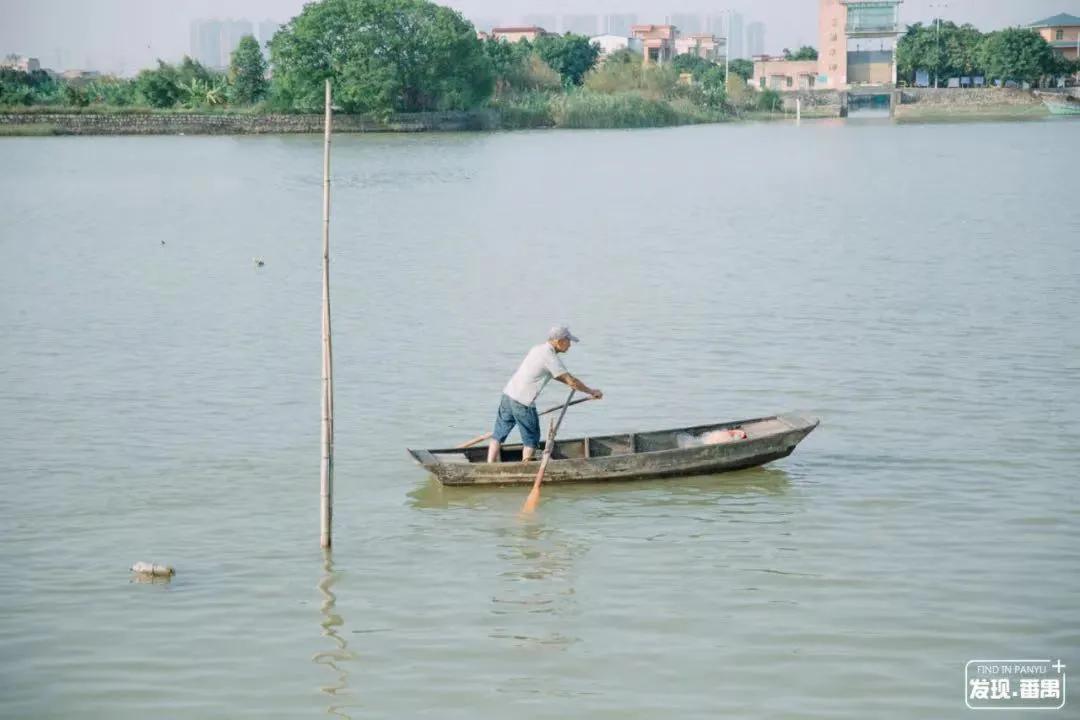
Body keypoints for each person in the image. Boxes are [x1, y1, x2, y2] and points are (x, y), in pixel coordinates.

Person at [488, 326, 603, 463]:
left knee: (498, 435)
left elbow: (556, 375)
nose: (570, 345)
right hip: (523, 402)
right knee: (531, 440)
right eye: (568, 341)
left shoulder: (537, 349)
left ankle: (489, 465)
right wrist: (591, 391)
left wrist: (572, 384)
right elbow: (571, 380)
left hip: (508, 395)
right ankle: (526, 468)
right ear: (560, 341)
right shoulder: (550, 357)